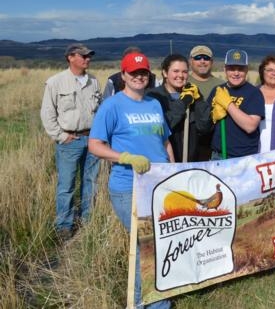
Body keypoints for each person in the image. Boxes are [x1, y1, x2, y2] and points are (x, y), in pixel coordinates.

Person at [89, 52, 173, 309]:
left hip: (158, 184)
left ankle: (154, 296)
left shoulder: (154, 104)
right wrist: (124, 156)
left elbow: (165, 141)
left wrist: (172, 169)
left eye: (143, 73)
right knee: (145, 243)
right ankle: (144, 302)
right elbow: (94, 145)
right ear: (123, 75)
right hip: (129, 186)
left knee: (160, 240)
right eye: (133, 73)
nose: (139, 77)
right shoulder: (112, 105)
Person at [40, 43, 102, 241]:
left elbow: (99, 110)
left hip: (92, 138)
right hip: (70, 140)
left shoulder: (93, 81)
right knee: (66, 185)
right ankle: (64, 225)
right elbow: (47, 113)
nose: (87, 59)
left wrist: (99, 136)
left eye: (89, 56)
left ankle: (87, 221)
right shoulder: (55, 82)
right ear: (70, 57)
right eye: (83, 56)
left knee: (90, 182)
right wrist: (61, 136)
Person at [147, 54, 212, 162]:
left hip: (191, 162)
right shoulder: (153, 97)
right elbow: (162, 127)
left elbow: (204, 127)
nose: (181, 75)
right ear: (165, 73)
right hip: (164, 163)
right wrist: (183, 102)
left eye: (184, 72)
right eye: (176, 71)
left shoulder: (193, 93)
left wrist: (199, 100)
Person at [208, 49, 265, 159]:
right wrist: (211, 117)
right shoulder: (218, 91)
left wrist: (228, 105)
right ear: (225, 69)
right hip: (218, 156)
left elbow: (250, 126)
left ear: (247, 70)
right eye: (231, 68)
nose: (236, 73)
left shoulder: (254, 93)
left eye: (241, 69)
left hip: (243, 158)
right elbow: (205, 127)